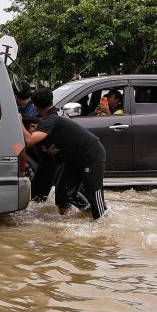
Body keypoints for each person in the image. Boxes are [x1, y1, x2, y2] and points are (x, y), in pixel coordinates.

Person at [23, 87, 108, 220]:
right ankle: (83, 216)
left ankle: (102, 222)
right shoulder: (46, 119)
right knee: (63, 195)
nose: (29, 133)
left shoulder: (49, 120)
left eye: (29, 131)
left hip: (91, 154)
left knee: (94, 193)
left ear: (35, 105)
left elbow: (28, 141)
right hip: (72, 159)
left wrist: (17, 120)